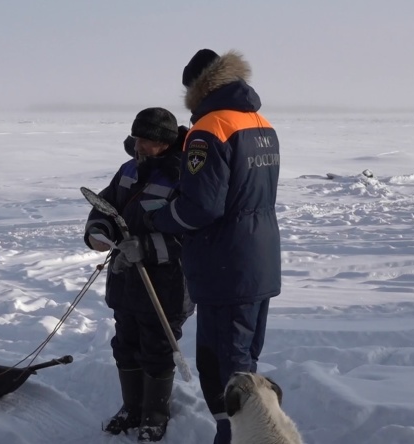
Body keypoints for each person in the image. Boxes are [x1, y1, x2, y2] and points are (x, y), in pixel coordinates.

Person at [141, 49, 282, 444]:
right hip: (259, 260)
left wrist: (160, 218)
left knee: (224, 368)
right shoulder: (260, 123)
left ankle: (233, 436)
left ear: (196, 88)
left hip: (226, 266)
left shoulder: (209, 128)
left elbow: (202, 206)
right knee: (244, 360)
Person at [84, 107, 193, 442]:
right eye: (137, 138)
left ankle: (154, 415)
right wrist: (98, 233)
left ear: (166, 142)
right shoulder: (129, 169)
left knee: (158, 348)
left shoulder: (184, 175)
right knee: (126, 344)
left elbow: (190, 237)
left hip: (167, 284)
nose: (140, 145)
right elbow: (106, 206)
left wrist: (144, 248)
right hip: (126, 279)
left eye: (148, 140)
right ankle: (131, 407)